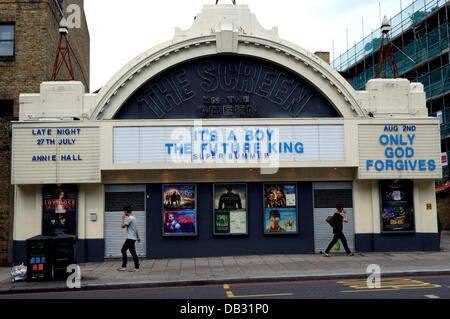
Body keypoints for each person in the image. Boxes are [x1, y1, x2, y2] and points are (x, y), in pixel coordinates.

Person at [118, 205, 141, 272]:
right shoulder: (134, 218)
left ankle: (124, 266)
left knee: (123, 250)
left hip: (130, 238)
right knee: (133, 252)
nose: (124, 213)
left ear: (126, 211)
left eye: (124, 211)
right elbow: (135, 229)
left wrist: (122, 219)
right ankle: (136, 267)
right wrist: (138, 237)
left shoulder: (130, 218)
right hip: (133, 238)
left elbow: (122, 226)